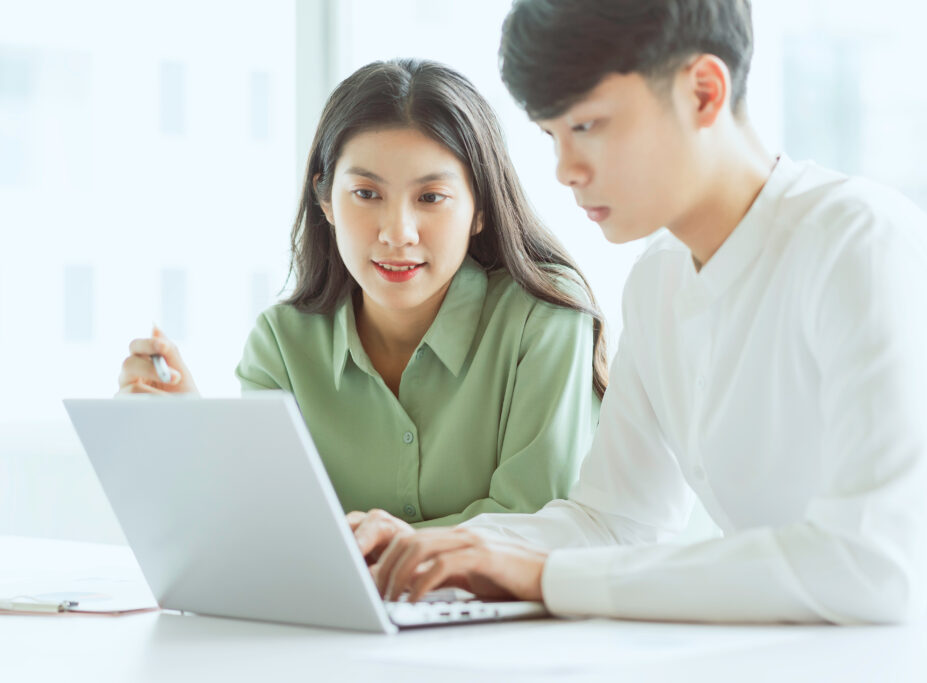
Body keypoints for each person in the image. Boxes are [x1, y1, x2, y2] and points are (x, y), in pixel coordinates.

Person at [354, 0, 927, 623]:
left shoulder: (861, 244)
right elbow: (611, 521)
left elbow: (873, 565)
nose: (564, 169)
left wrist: (547, 576)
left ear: (704, 91)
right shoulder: (659, 282)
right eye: (551, 134)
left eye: (587, 125)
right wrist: (431, 546)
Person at [116, 58, 606, 528]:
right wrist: (190, 439)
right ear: (326, 200)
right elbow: (269, 531)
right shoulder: (281, 345)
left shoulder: (543, 319)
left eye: (431, 197)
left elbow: (533, 523)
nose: (398, 232)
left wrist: (359, 554)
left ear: (480, 209)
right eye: (366, 194)